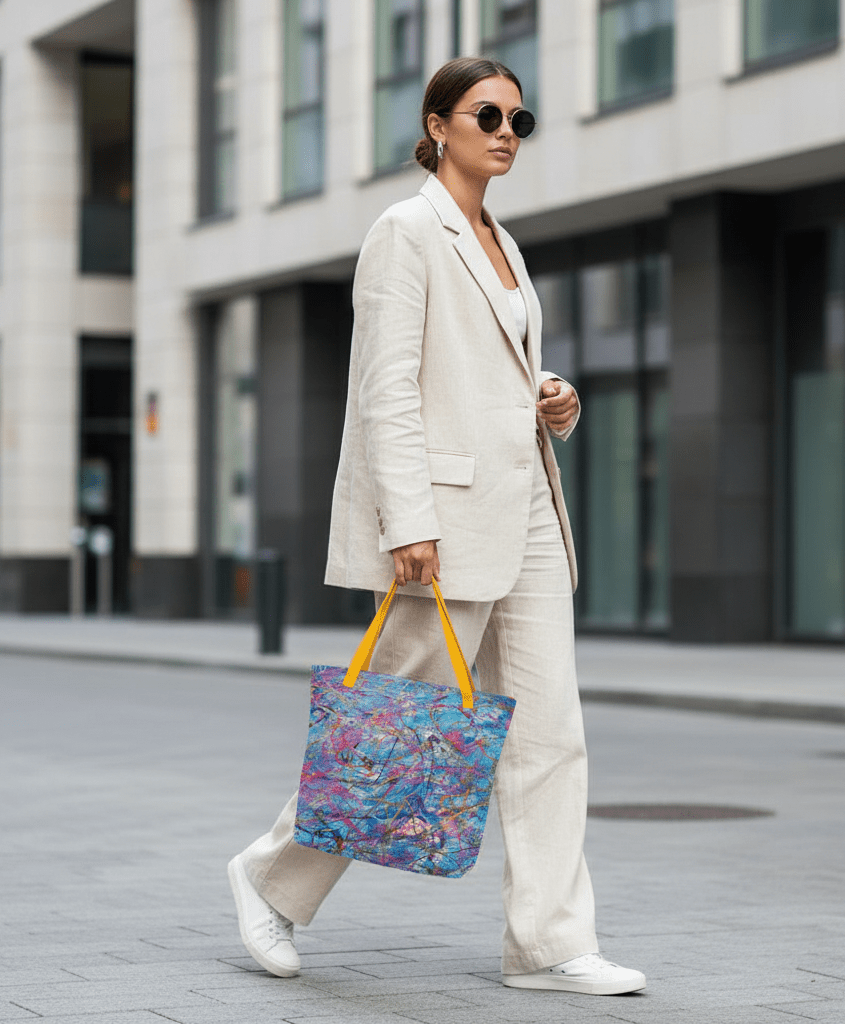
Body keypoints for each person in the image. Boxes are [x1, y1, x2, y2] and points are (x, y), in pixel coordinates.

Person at [228, 56, 646, 997]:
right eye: (487, 113)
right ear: (439, 123)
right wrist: (406, 520)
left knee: (550, 733)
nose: (506, 130)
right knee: (391, 721)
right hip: (445, 524)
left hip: (530, 510)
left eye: (519, 118)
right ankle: (268, 879)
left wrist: (551, 398)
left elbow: (484, 374)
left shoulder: (502, 237)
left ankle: (548, 944)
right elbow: (386, 391)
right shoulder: (404, 232)